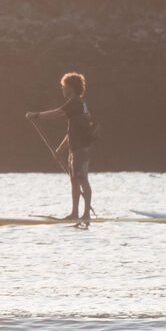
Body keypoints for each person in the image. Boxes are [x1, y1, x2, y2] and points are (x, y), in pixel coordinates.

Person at [27, 72, 96, 223]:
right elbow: (71, 132)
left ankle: (85, 215)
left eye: (64, 86)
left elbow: (55, 114)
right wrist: (60, 150)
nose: (62, 89)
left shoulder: (75, 103)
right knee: (74, 179)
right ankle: (75, 213)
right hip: (76, 147)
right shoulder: (80, 103)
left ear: (71, 88)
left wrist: (36, 115)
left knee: (82, 179)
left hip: (81, 149)